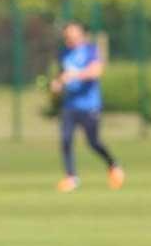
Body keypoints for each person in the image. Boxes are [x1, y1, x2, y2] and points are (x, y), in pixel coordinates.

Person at [49, 22, 126, 192]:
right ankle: (71, 177)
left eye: (73, 35)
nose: (70, 38)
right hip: (70, 105)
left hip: (89, 105)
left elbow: (96, 72)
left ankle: (113, 165)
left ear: (81, 35)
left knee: (93, 142)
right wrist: (58, 84)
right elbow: (62, 75)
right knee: (66, 139)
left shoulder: (90, 51)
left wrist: (74, 75)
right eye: (67, 36)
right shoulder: (63, 53)